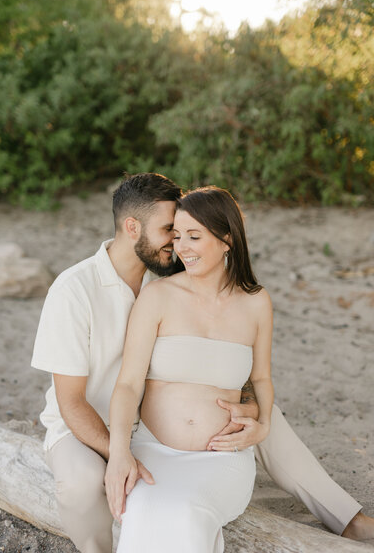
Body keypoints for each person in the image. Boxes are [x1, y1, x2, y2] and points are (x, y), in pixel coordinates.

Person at [31, 173, 373, 553]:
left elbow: (241, 369)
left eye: (185, 234)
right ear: (133, 228)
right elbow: (74, 401)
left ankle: (347, 519)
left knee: (265, 413)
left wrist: (257, 418)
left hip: (149, 424)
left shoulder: (168, 274)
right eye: (170, 231)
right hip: (94, 423)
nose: (177, 245)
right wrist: (121, 453)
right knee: (83, 483)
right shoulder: (76, 289)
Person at [106, 186, 273, 552]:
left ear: (227, 238)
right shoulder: (158, 296)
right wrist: (120, 453)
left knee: (186, 512)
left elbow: (260, 378)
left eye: (194, 236)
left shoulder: (256, 303)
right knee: (146, 511)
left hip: (221, 461)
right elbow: (129, 385)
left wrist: (262, 427)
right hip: (153, 452)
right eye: (177, 236)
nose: (182, 247)